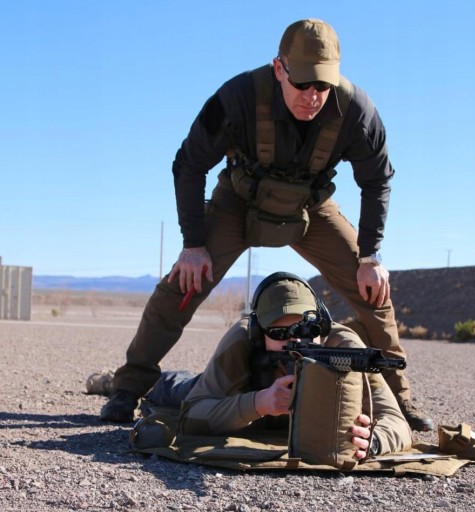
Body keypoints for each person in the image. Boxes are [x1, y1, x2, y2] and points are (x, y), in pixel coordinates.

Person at [100, 18, 432, 431]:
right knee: (182, 285)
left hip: (310, 207)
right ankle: (128, 387)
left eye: (322, 85)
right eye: (303, 83)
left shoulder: (357, 111)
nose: (312, 96)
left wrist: (370, 256)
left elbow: (377, 180)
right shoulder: (237, 98)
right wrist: (193, 245)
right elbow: (188, 164)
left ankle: (398, 399)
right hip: (239, 202)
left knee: (373, 289)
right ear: (279, 68)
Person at [139, 273, 413, 459]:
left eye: (308, 331)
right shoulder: (241, 340)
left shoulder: (347, 350)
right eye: (280, 333)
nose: (296, 341)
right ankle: (133, 382)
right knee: (172, 389)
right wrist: (259, 403)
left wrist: (373, 442)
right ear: (259, 334)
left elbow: (397, 422)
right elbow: (192, 415)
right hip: (224, 390)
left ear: (322, 325)